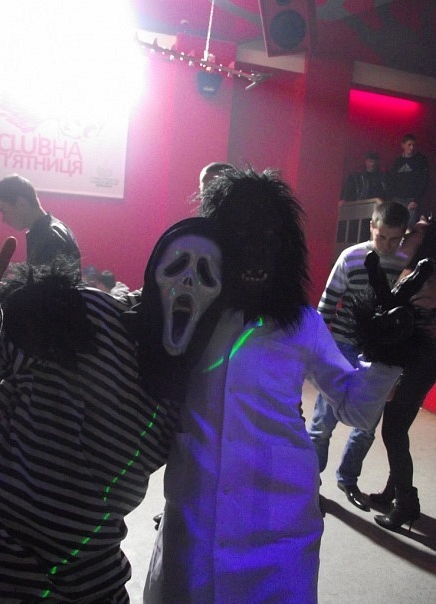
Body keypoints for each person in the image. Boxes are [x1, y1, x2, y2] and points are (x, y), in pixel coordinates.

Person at [143, 168, 404, 604]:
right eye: (243, 237)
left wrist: (388, 352)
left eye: (268, 238)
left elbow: (356, 409)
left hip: (279, 521)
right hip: (195, 512)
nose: (257, 253)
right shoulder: (191, 312)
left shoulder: (302, 324)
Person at [0, 238, 177, 602]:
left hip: (87, 570)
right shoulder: (93, 311)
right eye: (180, 263)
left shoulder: (196, 382)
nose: (189, 286)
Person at [307, 201, 410, 512]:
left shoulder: (404, 262)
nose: (388, 246)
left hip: (379, 354)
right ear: (371, 228)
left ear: (403, 235)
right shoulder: (351, 257)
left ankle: (348, 479)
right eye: (382, 237)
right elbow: (327, 305)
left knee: (365, 427)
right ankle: (310, 484)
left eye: (395, 239)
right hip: (342, 346)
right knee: (323, 423)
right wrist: (318, 352)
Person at [370, 219, 436, 531]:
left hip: (421, 357)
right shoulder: (421, 268)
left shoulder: (426, 271)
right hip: (419, 356)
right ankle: (394, 490)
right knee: (398, 425)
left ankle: (406, 504)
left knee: (393, 430)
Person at [0, 174, 81, 268]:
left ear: (21, 203)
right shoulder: (49, 232)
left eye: (3, 210)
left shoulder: (50, 237)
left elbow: (48, 277)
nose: (3, 219)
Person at [387, 133, 430, 229]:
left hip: (412, 199)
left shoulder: (420, 160)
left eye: (413, 145)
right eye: (409, 145)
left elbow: (424, 181)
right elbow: (392, 180)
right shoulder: (397, 161)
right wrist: (392, 198)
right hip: (397, 199)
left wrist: (416, 200)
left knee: (410, 227)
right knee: (397, 226)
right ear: (403, 145)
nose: (412, 147)